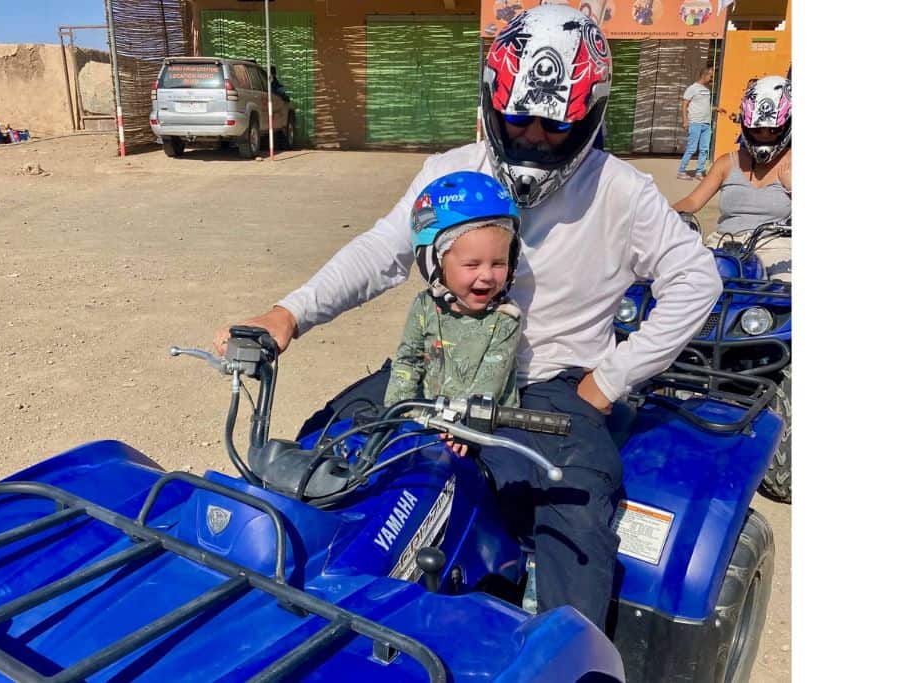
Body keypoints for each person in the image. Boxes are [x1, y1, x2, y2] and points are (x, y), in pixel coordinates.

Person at [215, 4, 721, 632]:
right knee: (324, 442)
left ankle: (568, 660)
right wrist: (291, 311)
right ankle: (270, 616)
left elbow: (696, 279)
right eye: (519, 118)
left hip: (549, 390)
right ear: (491, 102)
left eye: (553, 125)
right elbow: (382, 250)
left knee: (576, 508)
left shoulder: (622, 191)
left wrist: (609, 383)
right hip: (437, 366)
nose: (534, 137)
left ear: (590, 116)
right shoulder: (451, 172)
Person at [384, 172, 522, 457]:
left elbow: (489, 382)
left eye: (499, 263)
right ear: (434, 263)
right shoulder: (424, 307)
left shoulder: (505, 318)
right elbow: (407, 361)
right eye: (472, 264)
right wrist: (397, 416)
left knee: (502, 485)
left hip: (488, 426)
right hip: (429, 420)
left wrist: (465, 425)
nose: (487, 276)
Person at [673, 76, 792, 279]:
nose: (764, 136)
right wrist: (658, 215)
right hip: (723, 246)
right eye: (756, 130)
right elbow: (693, 201)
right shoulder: (726, 163)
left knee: (784, 297)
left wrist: (792, 187)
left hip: (776, 248)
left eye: (773, 130)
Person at [677, 66, 725, 181]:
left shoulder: (707, 90)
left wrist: (715, 108)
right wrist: (685, 120)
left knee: (704, 149)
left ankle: (699, 172)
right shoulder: (692, 88)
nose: (712, 78)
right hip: (695, 123)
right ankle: (681, 171)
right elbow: (684, 105)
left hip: (706, 124)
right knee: (692, 148)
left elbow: (705, 106)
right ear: (704, 75)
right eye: (711, 76)